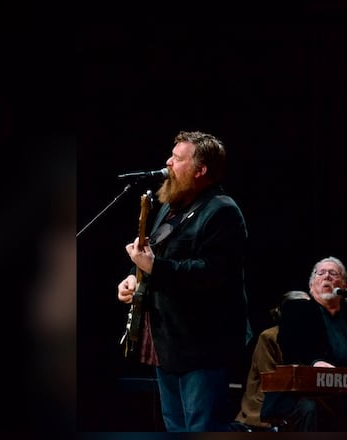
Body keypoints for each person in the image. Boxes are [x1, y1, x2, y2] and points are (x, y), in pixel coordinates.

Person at [117, 130, 250, 432]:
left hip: (202, 346)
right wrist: (134, 278)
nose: (168, 162)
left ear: (200, 170)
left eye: (177, 158)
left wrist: (154, 267)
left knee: (202, 427)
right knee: (175, 427)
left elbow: (209, 273)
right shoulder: (170, 206)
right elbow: (156, 254)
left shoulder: (223, 211)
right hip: (169, 342)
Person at [260, 256, 347, 431]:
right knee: (310, 410)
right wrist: (314, 363)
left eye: (333, 273)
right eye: (321, 273)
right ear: (311, 285)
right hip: (304, 394)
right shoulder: (297, 309)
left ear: (344, 286)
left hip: (345, 395)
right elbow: (290, 345)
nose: (327, 276)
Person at [231, 290, 310, 432]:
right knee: (307, 409)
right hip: (270, 399)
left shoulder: (312, 337)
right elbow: (270, 377)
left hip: (298, 395)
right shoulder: (269, 336)